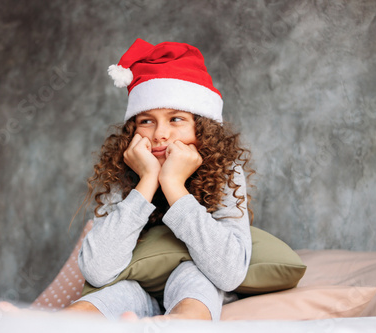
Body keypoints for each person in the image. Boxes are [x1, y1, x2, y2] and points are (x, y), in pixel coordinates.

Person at [65, 38, 255, 321]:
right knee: (111, 294)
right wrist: (147, 180)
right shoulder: (125, 171)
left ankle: (177, 324)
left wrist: (174, 186)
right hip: (139, 286)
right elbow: (97, 270)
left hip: (200, 284)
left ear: (201, 129)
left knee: (194, 277)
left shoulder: (226, 171)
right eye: (146, 120)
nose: (159, 135)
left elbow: (229, 274)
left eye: (176, 119)